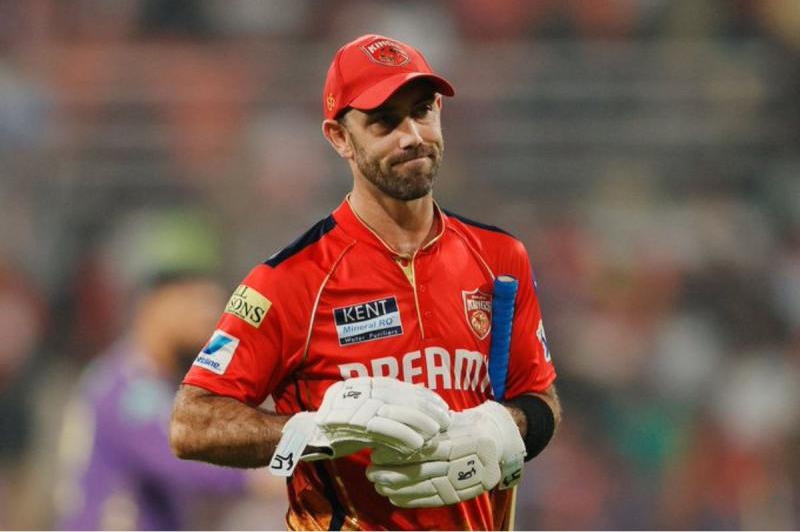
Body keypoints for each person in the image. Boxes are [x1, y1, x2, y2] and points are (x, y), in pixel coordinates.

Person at [170, 34, 561, 531]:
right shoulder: (289, 280)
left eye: (422, 111)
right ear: (339, 138)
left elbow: (541, 399)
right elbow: (191, 423)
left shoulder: (501, 258)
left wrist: (503, 428)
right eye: (384, 121)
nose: (411, 135)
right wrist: (315, 432)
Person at [54, 267, 254, 530]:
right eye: (192, 305)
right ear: (153, 309)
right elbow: (183, 454)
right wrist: (263, 471)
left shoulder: (157, 384)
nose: (207, 323)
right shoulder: (129, 387)